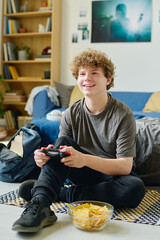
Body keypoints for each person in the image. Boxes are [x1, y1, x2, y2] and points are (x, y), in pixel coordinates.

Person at [12, 49, 146, 233]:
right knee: (63, 141)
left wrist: (84, 159)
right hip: (81, 172)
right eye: (82, 73)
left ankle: (62, 193)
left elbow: (124, 167)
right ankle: (41, 204)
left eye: (94, 73)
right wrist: (45, 159)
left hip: (112, 175)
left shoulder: (123, 114)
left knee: (135, 189)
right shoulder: (70, 113)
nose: (87, 78)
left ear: (107, 79)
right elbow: (62, 154)